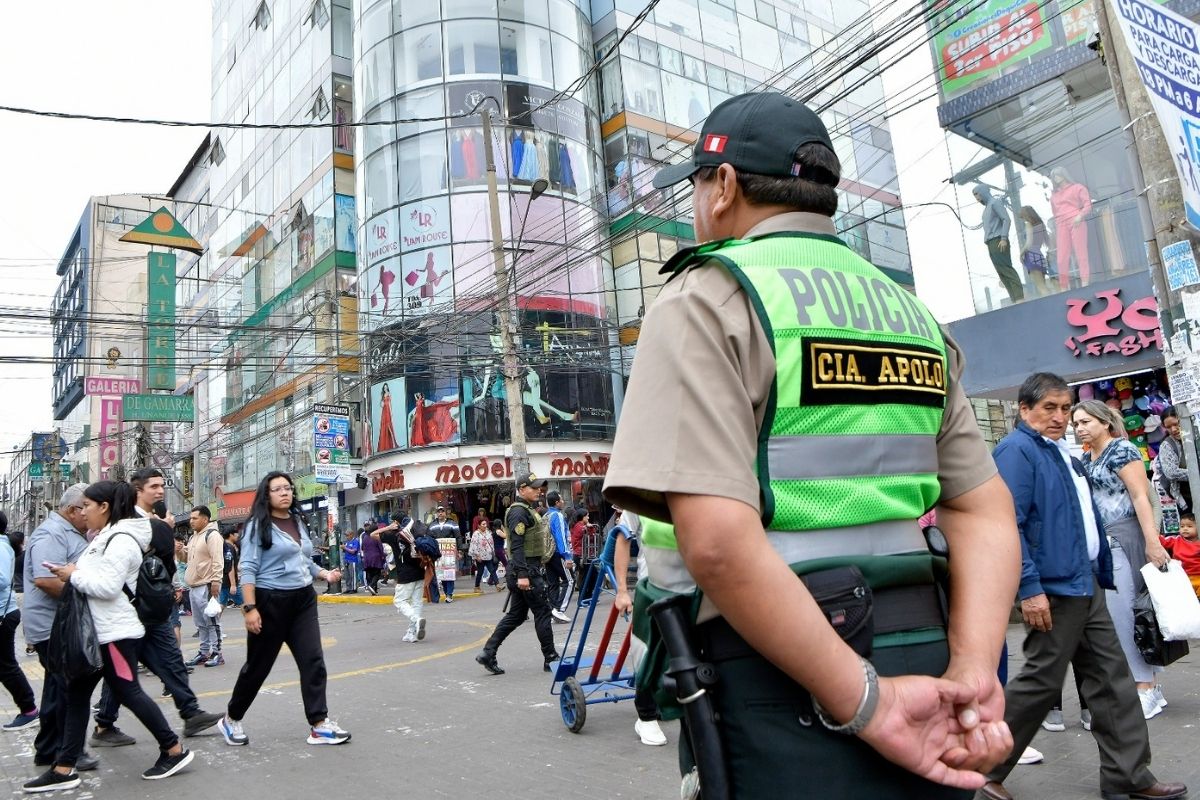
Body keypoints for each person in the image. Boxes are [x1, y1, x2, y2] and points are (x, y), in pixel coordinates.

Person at [604, 91, 1021, 798]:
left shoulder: (708, 297)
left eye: (699, 188)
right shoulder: (909, 313)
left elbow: (716, 544)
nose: (698, 207)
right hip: (926, 645)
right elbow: (983, 512)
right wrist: (975, 669)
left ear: (725, 186)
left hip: (782, 665)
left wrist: (867, 703)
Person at [984, 372, 1185, 800]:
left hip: (1085, 584)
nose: (1060, 417)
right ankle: (980, 771)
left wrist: (1099, 573)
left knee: (1112, 682)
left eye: (1065, 408)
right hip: (1054, 590)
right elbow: (1008, 525)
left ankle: (1129, 778)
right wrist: (1029, 587)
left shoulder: (1061, 453)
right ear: (1024, 410)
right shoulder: (1017, 451)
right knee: (1039, 683)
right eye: (1049, 408)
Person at [27, 481, 195, 790]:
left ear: (104, 507)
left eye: (88, 506)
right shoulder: (105, 537)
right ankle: (64, 768)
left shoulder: (120, 540)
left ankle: (174, 749)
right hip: (100, 633)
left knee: (130, 692)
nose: (84, 511)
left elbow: (107, 587)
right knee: (77, 695)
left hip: (115, 635)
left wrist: (72, 575)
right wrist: (75, 570)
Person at [92, 468, 221, 749]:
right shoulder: (130, 523)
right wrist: (163, 529)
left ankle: (190, 712)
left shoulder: (153, 522)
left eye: (162, 485)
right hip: (134, 607)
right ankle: (105, 724)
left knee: (170, 661)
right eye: (154, 486)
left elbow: (166, 563)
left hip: (152, 607)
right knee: (123, 672)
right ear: (137, 491)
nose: (160, 491)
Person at [220, 471, 349, 747]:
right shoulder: (257, 526)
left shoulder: (298, 521)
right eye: (277, 489)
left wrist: (324, 574)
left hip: (302, 600)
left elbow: (303, 560)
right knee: (258, 667)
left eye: (288, 488)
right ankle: (231, 718)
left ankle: (319, 724)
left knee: (313, 660)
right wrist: (249, 608)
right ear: (266, 495)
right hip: (270, 602)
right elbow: (248, 568)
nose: (284, 493)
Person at [1072, 399, 1171, 718]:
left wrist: (1153, 542)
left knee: (1128, 614)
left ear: (1104, 421)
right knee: (1118, 617)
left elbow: (1141, 496)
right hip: (1103, 543)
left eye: (1085, 421)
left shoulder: (1122, 450)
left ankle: (1147, 687)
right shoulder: (1087, 457)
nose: (1079, 427)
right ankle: (1147, 685)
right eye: (1076, 423)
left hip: (1125, 537)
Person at [21, 485, 99, 771]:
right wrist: (82, 598)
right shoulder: (51, 533)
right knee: (67, 689)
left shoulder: (68, 532)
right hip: (53, 626)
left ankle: (49, 749)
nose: (89, 513)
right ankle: (66, 751)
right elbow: (45, 580)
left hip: (60, 624)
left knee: (57, 690)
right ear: (71, 510)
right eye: (87, 507)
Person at [476, 473, 559, 675]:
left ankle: (488, 652)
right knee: (542, 611)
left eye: (539, 487)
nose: (539, 490)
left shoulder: (528, 510)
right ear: (522, 490)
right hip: (526, 570)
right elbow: (518, 545)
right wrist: (523, 574)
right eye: (534, 487)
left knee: (517, 615)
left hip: (525, 569)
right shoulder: (518, 512)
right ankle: (551, 657)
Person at [603, 507, 667, 747]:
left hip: (693, 587)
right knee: (647, 651)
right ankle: (646, 715)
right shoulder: (639, 494)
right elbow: (622, 537)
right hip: (652, 589)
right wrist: (621, 591)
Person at [0, 511, 38, 731]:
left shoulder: (1, 546)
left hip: (3, 615)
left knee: (6, 665)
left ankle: (29, 709)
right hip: (6, 612)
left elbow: (3, 579)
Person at [183, 505, 225, 668]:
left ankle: (217, 653)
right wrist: (181, 551)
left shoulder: (212, 535)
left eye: (195, 518)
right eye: (191, 518)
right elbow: (188, 559)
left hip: (207, 585)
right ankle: (204, 651)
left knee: (212, 621)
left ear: (205, 519)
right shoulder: (194, 537)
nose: (191, 521)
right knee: (200, 622)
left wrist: (216, 581)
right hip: (194, 586)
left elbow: (217, 559)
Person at [973, 184, 1024, 304]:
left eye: (977, 193)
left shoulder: (995, 203)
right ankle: (1014, 299)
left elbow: (1006, 219)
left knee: (1007, 269)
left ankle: (1019, 298)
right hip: (991, 242)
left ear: (983, 191)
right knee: (1001, 272)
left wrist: (1004, 237)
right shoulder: (987, 208)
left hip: (998, 240)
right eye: (975, 195)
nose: (976, 197)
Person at [381, 517, 427, 642]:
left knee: (399, 601)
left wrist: (388, 527)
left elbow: (373, 534)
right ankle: (412, 633)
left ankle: (416, 620)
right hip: (420, 572)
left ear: (396, 522)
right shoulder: (417, 534)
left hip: (405, 575)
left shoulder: (394, 536)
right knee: (416, 602)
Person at [1050, 166, 1092, 289]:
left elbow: (1088, 205)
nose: (1056, 178)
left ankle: (1085, 282)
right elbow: (1054, 213)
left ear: (1064, 175)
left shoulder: (1078, 188)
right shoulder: (1054, 196)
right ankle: (1064, 285)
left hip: (1076, 221)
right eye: (1054, 176)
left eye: (1058, 175)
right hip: (1061, 224)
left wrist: (1080, 216)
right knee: (1061, 257)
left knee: (1081, 253)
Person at [544, 491, 574, 621]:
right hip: (558, 554)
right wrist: (567, 556)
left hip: (547, 554)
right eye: (561, 500)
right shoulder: (558, 515)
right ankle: (559, 609)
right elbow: (561, 537)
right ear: (557, 502)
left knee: (553, 583)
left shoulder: (545, 515)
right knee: (570, 581)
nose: (563, 501)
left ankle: (552, 611)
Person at [1156, 408, 1191, 512]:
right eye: (1169, 427)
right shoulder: (1167, 445)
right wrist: (1195, 475)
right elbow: (1171, 472)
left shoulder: (1195, 437)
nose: (1173, 429)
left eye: (1176, 424)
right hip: (1186, 495)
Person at [1161, 512, 1200, 595]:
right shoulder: (1176, 540)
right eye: (1182, 526)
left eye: (1189, 526)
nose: (1185, 529)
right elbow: (1163, 541)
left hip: (1198, 576)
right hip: (1182, 576)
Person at [427, 506, 459, 603]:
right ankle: (446, 593)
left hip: (449, 553)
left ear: (445, 513)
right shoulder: (432, 525)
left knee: (449, 573)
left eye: (442, 511)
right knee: (442, 574)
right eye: (439, 511)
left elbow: (458, 537)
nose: (440, 513)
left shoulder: (453, 524)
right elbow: (428, 539)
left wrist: (460, 551)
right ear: (436, 513)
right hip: (437, 554)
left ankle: (449, 593)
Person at [1017, 206, 1050, 297]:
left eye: (1022, 216)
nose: (1022, 218)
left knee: (1040, 287)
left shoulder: (1028, 224)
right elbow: (1047, 242)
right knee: (1043, 285)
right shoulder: (1041, 225)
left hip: (1031, 256)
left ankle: (1050, 305)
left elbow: (1029, 242)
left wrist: (1021, 254)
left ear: (1025, 215)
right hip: (1040, 255)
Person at [469, 518, 499, 592]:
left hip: (488, 555)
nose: (485, 526)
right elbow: (474, 545)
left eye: (486, 524)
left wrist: (493, 552)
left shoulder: (488, 532)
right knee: (480, 572)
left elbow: (491, 543)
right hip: (480, 556)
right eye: (483, 524)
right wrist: (477, 555)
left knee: (492, 570)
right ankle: (476, 587)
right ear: (479, 525)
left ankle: (498, 585)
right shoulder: (476, 534)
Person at [219, 527, 243, 608]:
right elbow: (230, 566)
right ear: (231, 535)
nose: (237, 536)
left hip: (223, 581)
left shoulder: (223, 547)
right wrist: (233, 584)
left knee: (221, 604)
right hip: (229, 582)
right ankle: (251, 619)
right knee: (244, 603)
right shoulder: (229, 548)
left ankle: (214, 621)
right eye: (236, 534)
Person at [361, 522, 387, 596]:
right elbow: (381, 548)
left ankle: (374, 590)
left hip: (367, 558)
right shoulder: (376, 537)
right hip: (376, 558)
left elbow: (362, 548)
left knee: (370, 573)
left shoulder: (365, 537)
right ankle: (372, 585)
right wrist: (384, 556)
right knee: (377, 573)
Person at [341, 529, 361, 594]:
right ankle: (348, 588)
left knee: (353, 575)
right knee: (347, 576)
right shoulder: (347, 542)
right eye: (346, 535)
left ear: (352, 534)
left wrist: (345, 548)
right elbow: (345, 550)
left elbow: (353, 551)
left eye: (347, 535)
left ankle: (354, 588)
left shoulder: (355, 541)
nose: (347, 537)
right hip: (346, 560)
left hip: (353, 560)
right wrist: (343, 548)